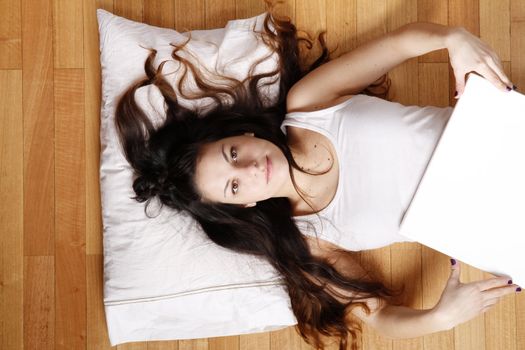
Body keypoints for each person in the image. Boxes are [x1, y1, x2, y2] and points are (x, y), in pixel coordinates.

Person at [114, 2, 520, 350]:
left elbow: (400, 43)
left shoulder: (309, 104)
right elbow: (380, 317)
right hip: (505, 229)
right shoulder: (310, 244)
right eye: (234, 185)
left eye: (233, 153)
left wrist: (455, 38)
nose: (251, 168)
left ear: (240, 133)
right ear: (243, 205)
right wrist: (440, 319)